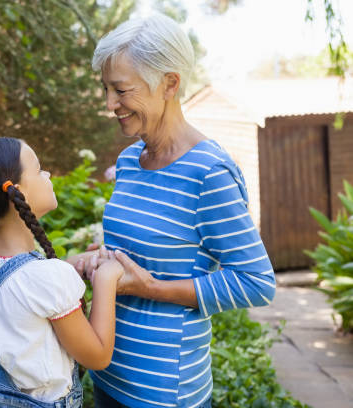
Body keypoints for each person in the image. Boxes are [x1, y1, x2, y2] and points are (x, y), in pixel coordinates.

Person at [72, 14, 277, 408]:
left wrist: (150, 289)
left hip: (164, 392)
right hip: (107, 373)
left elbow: (256, 281)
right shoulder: (131, 159)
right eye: (106, 89)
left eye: (121, 90)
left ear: (169, 83)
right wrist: (91, 261)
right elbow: (137, 251)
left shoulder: (208, 173)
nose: (110, 104)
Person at [0, 137, 124, 408]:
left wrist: (72, 264)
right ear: (18, 192)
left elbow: (21, 289)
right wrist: (107, 277)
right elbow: (98, 356)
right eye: (39, 169)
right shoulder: (46, 278)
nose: (48, 174)